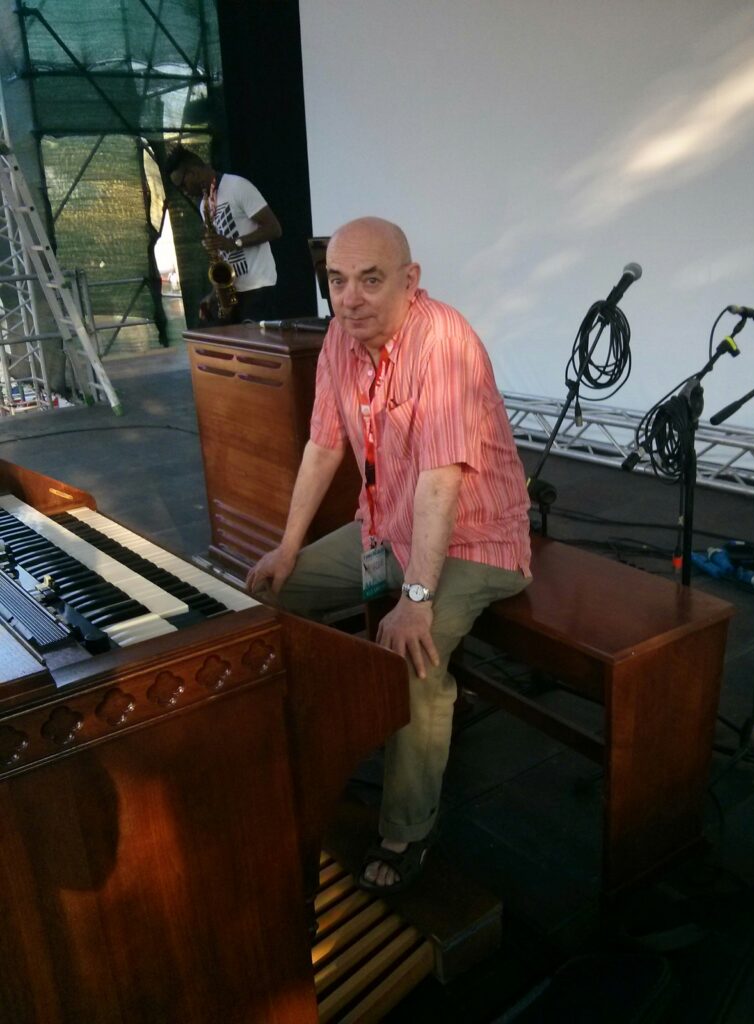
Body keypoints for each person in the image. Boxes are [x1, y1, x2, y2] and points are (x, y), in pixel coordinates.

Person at [246, 217, 532, 893]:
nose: (350, 299)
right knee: (266, 594)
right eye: (337, 281)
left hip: (477, 539)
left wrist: (417, 598)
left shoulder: (444, 342)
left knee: (412, 657)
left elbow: (442, 480)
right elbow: (323, 446)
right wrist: (287, 548)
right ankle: (307, 746)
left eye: (370, 280)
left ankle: (408, 828)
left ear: (410, 280)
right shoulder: (339, 342)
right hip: (389, 528)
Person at [165, 145, 282, 325]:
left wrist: (235, 243)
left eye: (182, 184)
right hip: (234, 291)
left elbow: (274, 228)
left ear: (193, 172)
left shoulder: (238, 186)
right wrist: (215, 293)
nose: (184, 191)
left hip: (258, 288)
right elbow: (221, 256)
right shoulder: (204, 205)